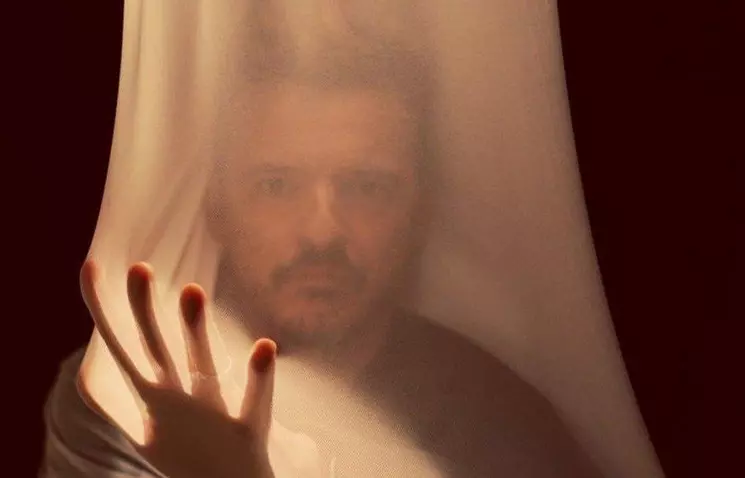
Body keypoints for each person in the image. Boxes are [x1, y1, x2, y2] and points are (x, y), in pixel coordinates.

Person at [40, 42, 602, 478]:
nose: (322, 231)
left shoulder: (492, 417)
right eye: (276, 185)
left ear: (420, 210)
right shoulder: (127, 400)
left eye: (367, 187)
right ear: (216, 207)